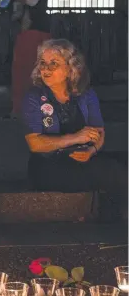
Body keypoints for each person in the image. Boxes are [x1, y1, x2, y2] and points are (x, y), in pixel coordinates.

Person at [22, 39, 127, 207]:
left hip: (82, 158)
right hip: (49, 165)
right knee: (112, 173)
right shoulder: (34, 97)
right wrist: (75, 138)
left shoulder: (86, 95)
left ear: (70, 69)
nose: (45, 69)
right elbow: (35, 144)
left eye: (53, 64)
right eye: (43, 63)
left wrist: (92, 150)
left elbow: (99, 132)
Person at [5, 0, 51, 119]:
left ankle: (29, 108)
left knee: (29, 70)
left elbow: (32, 1)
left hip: (35, 31)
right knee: (23, 70)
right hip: (28, 30)